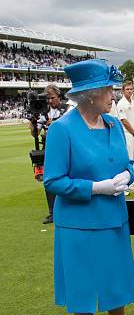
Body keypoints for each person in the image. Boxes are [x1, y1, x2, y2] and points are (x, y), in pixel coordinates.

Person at [44, 59, 134, 315]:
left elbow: (126, 164)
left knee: (117, 283)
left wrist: (126, 176)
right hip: (79, 224)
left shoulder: (113, 126)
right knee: (83, 289)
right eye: (108, 90)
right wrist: (96, 187)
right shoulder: (62, 130)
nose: (112, 96)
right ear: (89, 95)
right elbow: (53, 181)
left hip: (114, 219)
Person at [40, 84, 68, 224]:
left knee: (66, 177)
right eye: (48, 98)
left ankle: (66, 208)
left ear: (59, 96)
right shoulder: (43, 112)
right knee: (49, 179)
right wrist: (34, 124)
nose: (50, 101)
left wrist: (55, 124)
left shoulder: (66, 109)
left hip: (64, 148)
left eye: (52, 98)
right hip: (48, 148)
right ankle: (52, 212)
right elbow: (35, 133)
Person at [116, 80, 134, 186]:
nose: (130, 91)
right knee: (129, 159)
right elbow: (124, 121)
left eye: (131, 89)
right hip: (128, 134)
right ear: (123, 91)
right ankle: (130, 184)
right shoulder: (121, 104)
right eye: (127, 89)